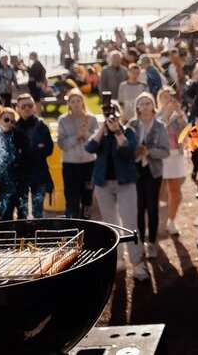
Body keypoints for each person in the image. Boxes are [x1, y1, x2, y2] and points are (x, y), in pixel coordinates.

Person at [85, 100, 148, 281]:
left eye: (114, 114)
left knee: (130, 223)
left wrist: (117, 131)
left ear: (119, 115)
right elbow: (89, 147)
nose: (111, 117)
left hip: (125, 183)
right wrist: (102, 129)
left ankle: (137, 263)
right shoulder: (101, 133)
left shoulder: (127, 131)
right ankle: (118, 259)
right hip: (103, 185)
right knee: (111, 223)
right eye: (107, 114)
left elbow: (128, 151)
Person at [129, 92, 170, 260]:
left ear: (153, 105)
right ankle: (139, 242)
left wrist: (149, 151)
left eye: (148, 103)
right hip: (136, 170)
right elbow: (125, 148)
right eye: (141, 103)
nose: (145, 106)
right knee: (138, 209)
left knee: (152, 207)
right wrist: (136, 151)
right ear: (137, 107)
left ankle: (152, 242)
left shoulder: (160, 126)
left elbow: (165, 151)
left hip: (153, 171)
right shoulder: (132, 125)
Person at [56, 90, 98, 219]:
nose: (76, 104)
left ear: (82, 102)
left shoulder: (91, 119)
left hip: (88, 165)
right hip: (70, 166)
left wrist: (84, 133)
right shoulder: (63, 120)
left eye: (78, 101)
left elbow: (96, 141)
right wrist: (76, 137)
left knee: (87, 199)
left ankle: (87, 227)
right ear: (68, 103)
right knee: (71, 199)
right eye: (72, 101)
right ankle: (72, 226)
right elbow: (62, 144)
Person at [14, 94, 54, 218]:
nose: (27, 108)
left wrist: (31, 151)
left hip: (39, 172)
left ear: (34, 107)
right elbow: (13, 152)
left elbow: (49, 149)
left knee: (38, 211)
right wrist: (37, 147)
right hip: (21, 174)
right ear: (18, 109)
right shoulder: (14, 128)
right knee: (22, 211)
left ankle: (38, 234)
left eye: (29, 105)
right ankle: (24, 236)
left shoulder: (42, 125)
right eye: (23, 106)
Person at [157, 86, 188, 235]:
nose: (167, 99)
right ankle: (156, 218)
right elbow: (156, 132)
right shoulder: (154, 115)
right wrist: (168, 115)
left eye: (170, 96)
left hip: (176, 155)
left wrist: (181, 115)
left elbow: (187, 131)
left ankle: (171, 220)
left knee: (174, 190)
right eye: (164, 96)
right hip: (160, 157)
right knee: (158, 189)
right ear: (159, 100)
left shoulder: (178, 114)